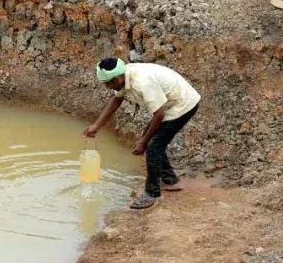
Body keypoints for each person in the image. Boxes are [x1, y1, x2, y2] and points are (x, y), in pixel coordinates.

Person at [83, 58, 201, 210]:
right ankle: (169, 179)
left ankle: (152, 193)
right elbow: (116, 101)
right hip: (170, 105)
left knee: (152, 147)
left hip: (183, 105)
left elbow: (159, 114)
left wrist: (143, 142)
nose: (107, 87)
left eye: (108, 84)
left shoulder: (142, 82)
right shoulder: (123, 77)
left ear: (117, 78)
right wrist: (96, 126)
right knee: (154, 142)